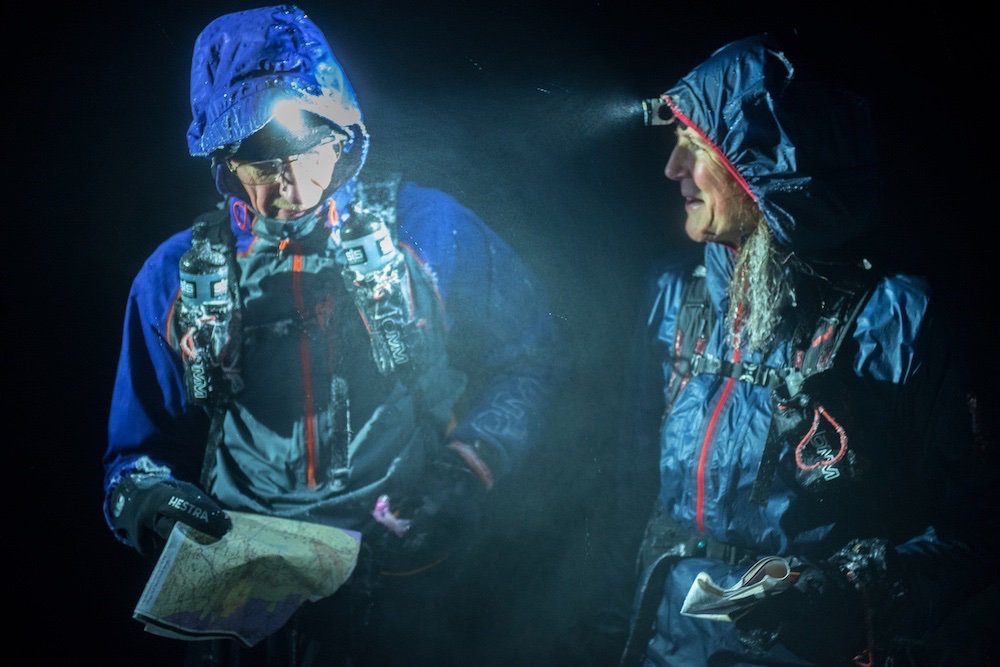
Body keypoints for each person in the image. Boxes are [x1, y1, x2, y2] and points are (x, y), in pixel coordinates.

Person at [101, 5, 561, 665]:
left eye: (309, 149)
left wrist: (466, 467)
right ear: (225, 161)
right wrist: (148, 502)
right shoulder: (174, 276)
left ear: (344, 136)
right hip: (243, 609)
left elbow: (535, 358)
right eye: (263, 163)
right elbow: (132, 458)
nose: (292, 185)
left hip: (403, 586)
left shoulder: (429, 232)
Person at [614, 33, 998, 666]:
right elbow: (627, 479)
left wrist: (850, 595)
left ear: (766, 166)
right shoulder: (677, 299)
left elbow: (980, 524)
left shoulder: (896, 319)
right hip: (667, 644)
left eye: (696, 147)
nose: (673, 170)